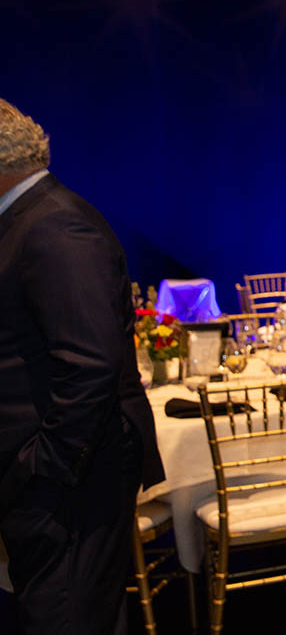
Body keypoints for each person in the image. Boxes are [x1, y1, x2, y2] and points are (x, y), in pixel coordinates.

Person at [0, 99, 165, 634]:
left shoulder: (53, 225)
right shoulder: (33, 221)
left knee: (66, 618)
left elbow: (91, 364)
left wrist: (40, 466)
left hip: (68, 481)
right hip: (62, 476)